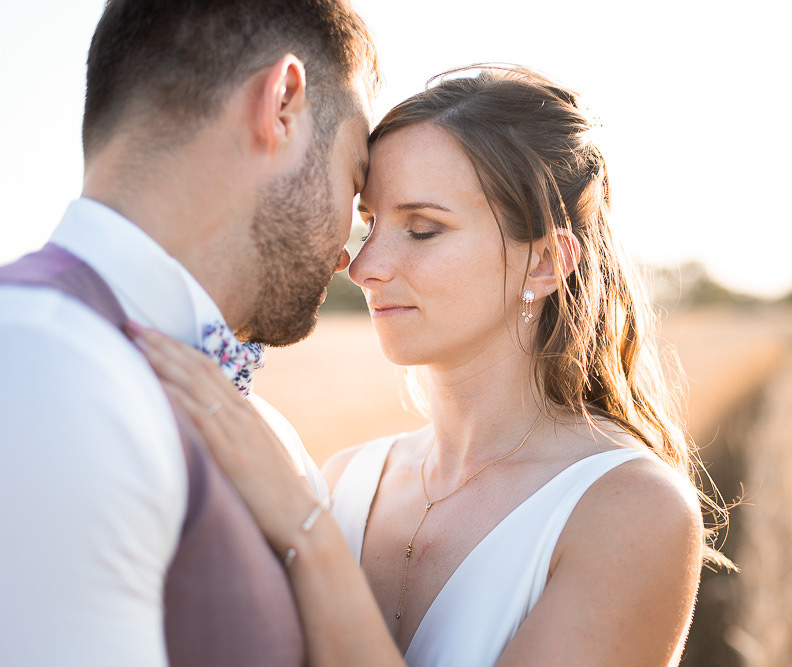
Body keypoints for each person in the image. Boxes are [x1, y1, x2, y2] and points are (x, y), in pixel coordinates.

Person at [132, 65, 731, 666]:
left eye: (422, 229)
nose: (365, 267)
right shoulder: (343, 481)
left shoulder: (630, 509)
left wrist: (303, 532)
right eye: (370, 225)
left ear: (546, 261)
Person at [0, 0, 379, 664]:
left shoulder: (254, 425)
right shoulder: (47, 366)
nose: (349, 250)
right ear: (282, 105)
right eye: (353, 180)